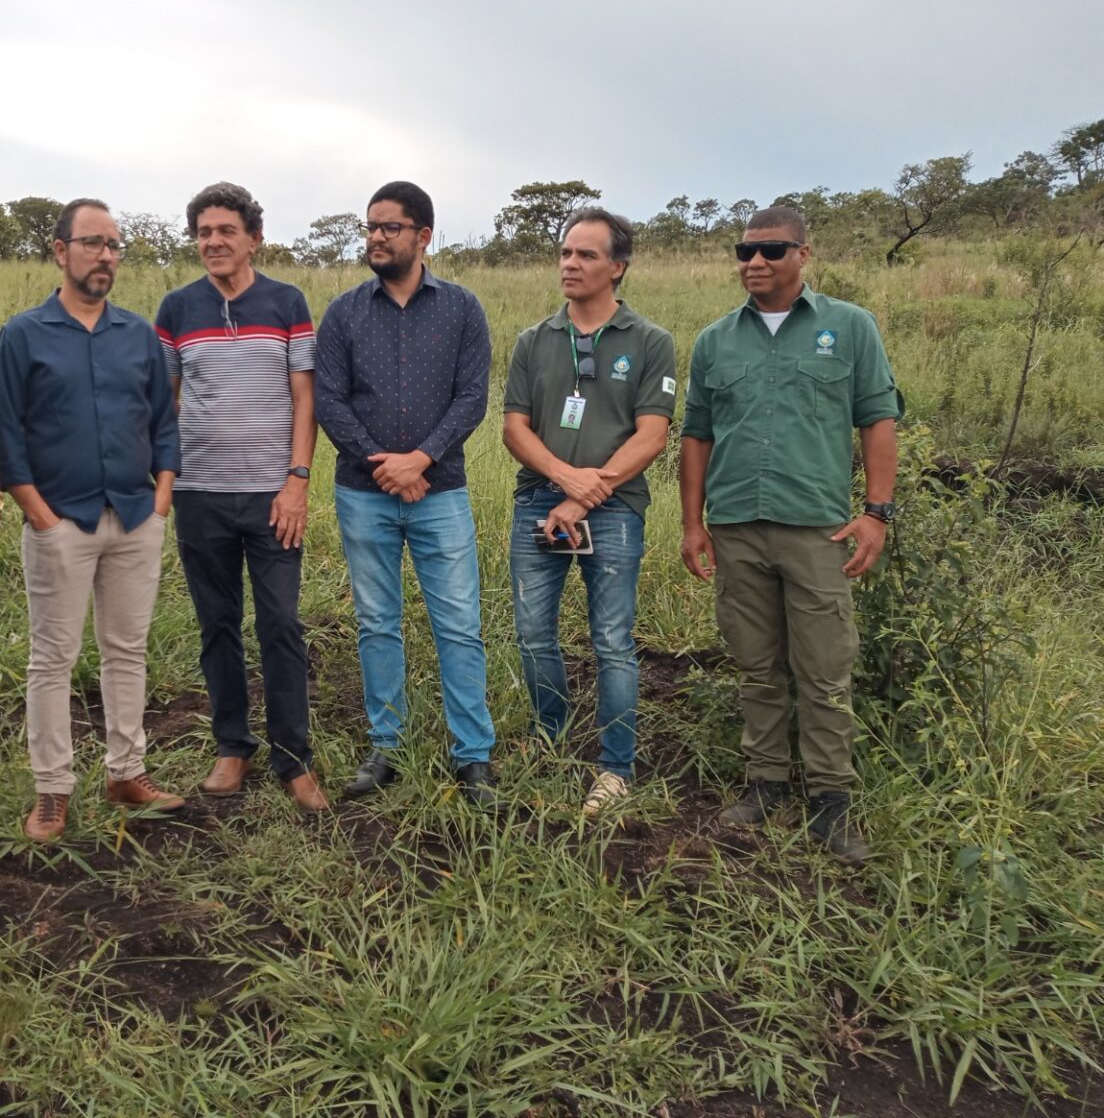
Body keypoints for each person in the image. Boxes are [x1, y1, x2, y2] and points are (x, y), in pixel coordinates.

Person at [679, 205, 901, 865]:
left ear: (805, 253)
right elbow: (697, 435)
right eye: (744, 251)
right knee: (755, 664)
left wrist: (877, 512)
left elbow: (878, 418)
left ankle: (832, 802)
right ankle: (766, 783)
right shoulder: (717, 341)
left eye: (772, 250)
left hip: (818, 530)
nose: (755, 262)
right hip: (737, 528)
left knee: (825, 669)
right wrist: (692, 522)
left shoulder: (849, 328)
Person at [0, 198, 183, 844]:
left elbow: (163, 420)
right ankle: (53, 790)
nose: (106, 256)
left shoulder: (137, 336)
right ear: (59, 250)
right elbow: (5, 429)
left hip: (133, 515)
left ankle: (127, 773)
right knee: (53, 656)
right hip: (60, 521)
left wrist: (160, 496)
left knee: (126, 651)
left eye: (114, 245)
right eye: (93, 243)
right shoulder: (24, 335)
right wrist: (36, 513)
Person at [314, 181, 498, 807]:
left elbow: (472, 397)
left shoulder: (462, 309)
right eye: (370, 226)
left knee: (459, 625)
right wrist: (381, 464)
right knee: (376, 623)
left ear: (423, 236)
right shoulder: (343, 313)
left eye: (390, 227)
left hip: (440, 490)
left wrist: (419, 460)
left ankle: (472, 755)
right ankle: (386, 746)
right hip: (363, 494)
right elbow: (329, 401)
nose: (376, 237)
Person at [154, 182, 328, 812]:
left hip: (271, 496)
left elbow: (305, 397)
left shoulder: (286, 302)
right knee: (216, 623)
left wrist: (297, 481)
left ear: (254, 237)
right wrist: (163, 482)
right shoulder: (177, 309)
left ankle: (294, 759)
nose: (213, 242)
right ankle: (233, 747)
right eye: (203, 232)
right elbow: (164, 402)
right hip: (200, 493)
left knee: (280, 622)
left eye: (226, 231)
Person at [502, 208, 676, 817]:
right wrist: (560, 481)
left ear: (617, 267)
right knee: (532, 633)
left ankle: (615, 767)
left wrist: (583, 495)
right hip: (537, 505)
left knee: (611, 640)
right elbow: (514, 429)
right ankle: (550, 735)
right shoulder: (534, 341)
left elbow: (651, 436)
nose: (570, 265)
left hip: (614, 511)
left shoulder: (650, 342)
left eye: (586, 255)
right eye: (566, 254)